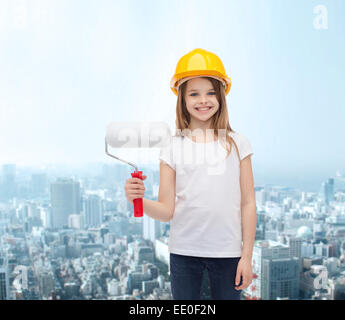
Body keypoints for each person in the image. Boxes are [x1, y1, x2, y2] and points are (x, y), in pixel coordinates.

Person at [125, 48, 257, 300]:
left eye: (210, 92)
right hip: (184, 253)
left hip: (228, 253)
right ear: (182, 99)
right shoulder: (172, 147)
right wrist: (137, 199)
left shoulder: (239, 143)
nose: (203, 100)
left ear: (221, 96)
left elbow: (248, 203)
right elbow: (166, 210)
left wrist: (247, 257)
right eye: (194, 93)